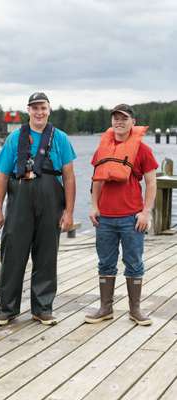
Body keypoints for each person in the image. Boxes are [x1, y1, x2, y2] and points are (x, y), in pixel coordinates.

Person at [0, 92, 76, 326]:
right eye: (34, 108)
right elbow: (2, 176)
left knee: (47, 256)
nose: (39, 112)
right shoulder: (14, 139)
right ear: (28, 111)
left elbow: (68, 177)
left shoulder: (60, 138)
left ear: (49, 110)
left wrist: (69, 212)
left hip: (51, 203)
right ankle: (7, 309)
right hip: (19, 203)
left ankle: (43, 308)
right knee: (12, 256)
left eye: (43, 108)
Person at [85, 104, 158, 326]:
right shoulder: (102, 149)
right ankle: (106, 308)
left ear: (132, 122)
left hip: (132, 218)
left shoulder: (142, 150)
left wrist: (146, 212)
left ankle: (135, 310)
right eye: (115, 118)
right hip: (105, 217)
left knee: (134, 262)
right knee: (105, 263)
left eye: (124, 118)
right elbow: (96, 179)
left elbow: (151, 182)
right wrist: (93, 206)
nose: (119, 122)